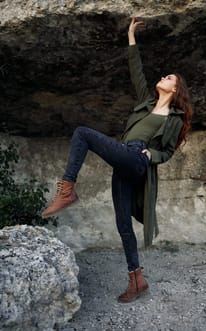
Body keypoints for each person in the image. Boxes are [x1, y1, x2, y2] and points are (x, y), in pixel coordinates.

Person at [42, 17, 193, 303]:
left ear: (175, 90)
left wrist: (152, 154)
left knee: (82, 134)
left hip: (137, 159)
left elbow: (169, 152)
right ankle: (137, 279)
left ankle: (67, 189)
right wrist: (131, 36)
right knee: (123, 224)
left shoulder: (174, 118)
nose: (164, 77)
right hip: (124, 158)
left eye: (170, 77)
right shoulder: (146, 104)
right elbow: (137, 72)